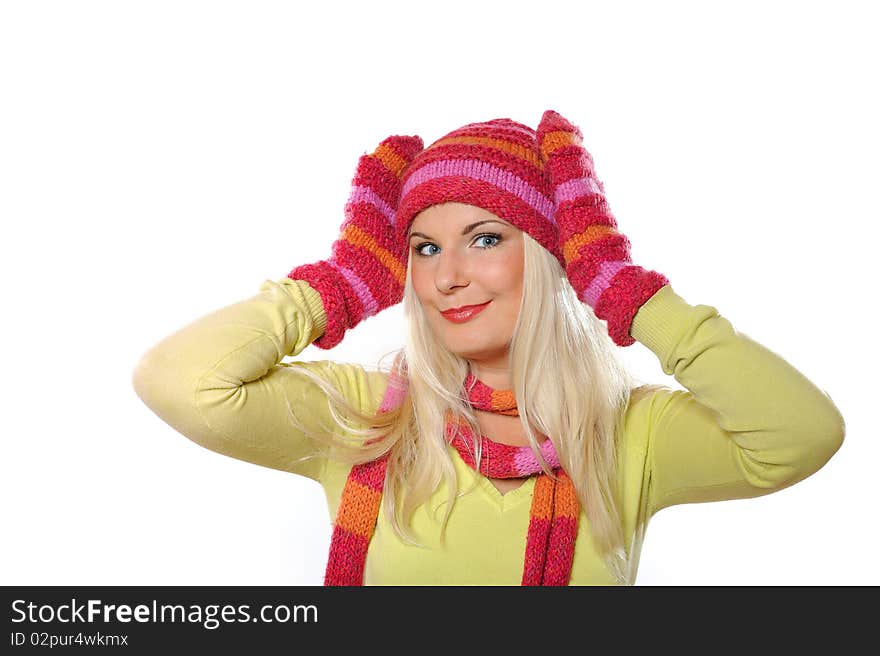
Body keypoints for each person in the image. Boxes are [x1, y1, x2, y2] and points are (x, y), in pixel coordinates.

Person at [132, 110, 845, 585]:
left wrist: (623, 288)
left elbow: (800, 435)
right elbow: (179, 382)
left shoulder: (628, 433)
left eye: (485, 238)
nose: (446, 276)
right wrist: (339, 287)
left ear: (546, 253)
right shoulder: (364, 421)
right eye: (423, 247)